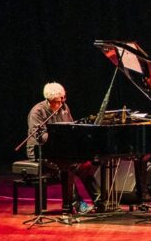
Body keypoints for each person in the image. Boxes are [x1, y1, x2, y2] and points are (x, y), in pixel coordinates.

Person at [26, 82, 101, 213]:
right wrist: (59, 137)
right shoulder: (37, 112)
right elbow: (41, 137)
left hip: (61, 151)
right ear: (49, 100)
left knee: (85, 166)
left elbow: (71, 129)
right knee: (66, 167)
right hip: (41, 153)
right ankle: (76, 203)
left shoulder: (64, 108)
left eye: (63, 99)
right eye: (57, 101)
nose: (61, 104)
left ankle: (100, 200)